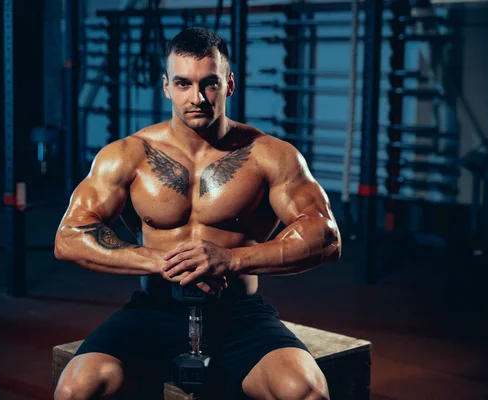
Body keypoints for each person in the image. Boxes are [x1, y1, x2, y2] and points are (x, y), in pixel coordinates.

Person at [53, 27, 341, 400]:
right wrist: (161, 262)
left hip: (239, 316)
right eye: (184, 84)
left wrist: (230, 259)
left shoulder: (270, 155)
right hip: (154, 310)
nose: (198, 98)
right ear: (166, 87)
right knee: (76, 390)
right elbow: (70, 236)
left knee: (306, 392)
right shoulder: (128, 155)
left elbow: (325, 236)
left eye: (210, 83)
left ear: (229, 84)